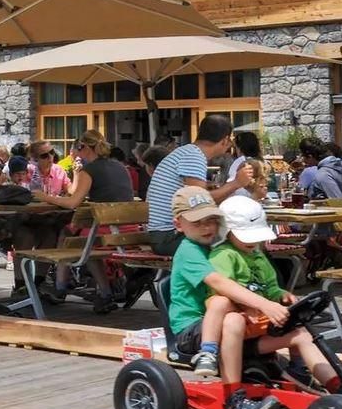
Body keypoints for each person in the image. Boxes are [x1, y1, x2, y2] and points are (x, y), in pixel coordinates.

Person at [202, 195, 341, 405]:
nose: (252, 242)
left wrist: (281, 295)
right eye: (246, 236)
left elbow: (269, 287)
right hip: (239, 334)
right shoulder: (224, 255)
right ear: (227, 231)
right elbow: (223, 290)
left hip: (261, 328)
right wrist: (248, 306)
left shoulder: (258, 256)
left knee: (302, 332)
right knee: (235, 320)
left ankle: (331, 383)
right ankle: (234, 392)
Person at [165, 187, 279, 409]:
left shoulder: (221, 248)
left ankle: (306, 378)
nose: (207, 227)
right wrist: (262, 304)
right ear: (179, 224)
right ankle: (234, 400)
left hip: (221, 320)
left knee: (292, 329)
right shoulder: (189, 250)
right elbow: (219, 283)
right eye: (197, 222)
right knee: (231, 315)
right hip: (191, 328)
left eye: (211, 220)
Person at [33, 129, 136, 312]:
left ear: (86, 148)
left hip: (107, 229)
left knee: (71, 236)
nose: (77, 152)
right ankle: (89, 289)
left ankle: (64, 288)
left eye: (79, 148)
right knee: (80, 237)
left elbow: (72, 202)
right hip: (130, 228)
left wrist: (44, 197)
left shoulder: (89, 170)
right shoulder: (120, 166)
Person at [144, 116, 260, 257]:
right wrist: (236, 183)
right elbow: (200, 203)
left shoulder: (187, 152)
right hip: (171, 236)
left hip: (169, 234)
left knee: (243, 237)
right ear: (225, 140)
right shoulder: (193, 156)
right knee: (242, 240)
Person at [225, 131, 263, 200]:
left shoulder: (240, 162)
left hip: (243, 199)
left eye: (235, 147)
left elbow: (232, 183)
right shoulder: (263, 162)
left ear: (239, 148)